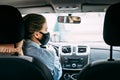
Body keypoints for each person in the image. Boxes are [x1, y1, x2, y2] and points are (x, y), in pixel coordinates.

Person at [22, 13, 62, 80]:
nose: (47, 33)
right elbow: (56, 76)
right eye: (46, 29)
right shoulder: (48, 54)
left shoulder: (14, 51)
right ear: (37, 34)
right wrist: (55, 55)